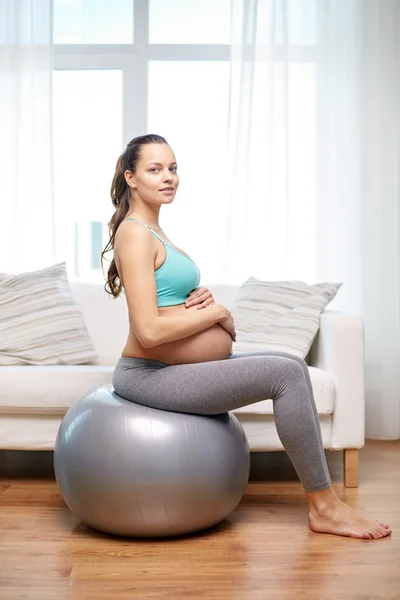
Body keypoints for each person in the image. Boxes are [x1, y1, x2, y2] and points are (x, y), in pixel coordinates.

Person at [101, 133, 391, 540]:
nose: (169, 178)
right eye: (155, 169)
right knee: (284, 376)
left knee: (291, 364)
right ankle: (324, 508)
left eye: (173, 167)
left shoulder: (155, 230)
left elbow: (163, 304)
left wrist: (195, 301)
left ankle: (326, 503)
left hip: (170, 367)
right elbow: (148, 332)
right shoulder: (135, 233)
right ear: (131, 178)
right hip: (148, 374)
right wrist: (217, 313)